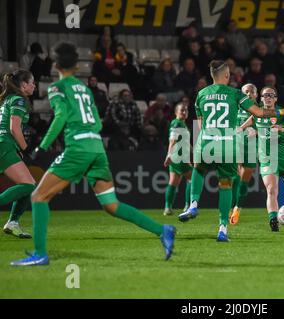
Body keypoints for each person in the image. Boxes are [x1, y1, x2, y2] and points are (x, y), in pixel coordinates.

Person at [11, 42, 176, 266]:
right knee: (111, 205)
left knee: (38, 197)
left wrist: (41, 147)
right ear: (77, 66)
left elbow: (60, 117)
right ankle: (162, 229)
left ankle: (40, 253)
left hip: (78, 149)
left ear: (55, 64)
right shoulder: (85, 89)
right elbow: (98, 123)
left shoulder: (57, 88)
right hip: (97, 149)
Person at [177, 60, 284, 241]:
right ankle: (223, 228)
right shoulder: (235, 94)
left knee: (199, 169)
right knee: (225, 185)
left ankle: (193, 204)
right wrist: (282, 112)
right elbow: (259, 112)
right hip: (228, 144)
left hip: (207, 140)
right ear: (226, 76)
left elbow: (200, 123)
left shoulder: (201, 94)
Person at [240, 86, 284, 232]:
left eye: (271, 95)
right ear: (261, 98)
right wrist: (245, 131)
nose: (268, 97)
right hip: (267, 158)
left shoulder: (283, 114)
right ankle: (273, 219)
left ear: (275, 98)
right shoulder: (257, 113)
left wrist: (283, 129)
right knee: (271, 189)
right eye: (265, 95)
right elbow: (241, 128)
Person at [0, 70, 36, 238]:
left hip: (4, 145)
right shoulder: (19, 100)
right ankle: (13, 221)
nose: (34, 86)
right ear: (23, 85)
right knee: (28, 185)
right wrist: (25, 148)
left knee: (27, 185)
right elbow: (14, 128)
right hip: (4, 145)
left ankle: (13, 223)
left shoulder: (7, 100)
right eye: (32, 82)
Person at [228, 83, 259, 225]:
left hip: (251, 147)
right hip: (236, 145)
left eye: (252, 92)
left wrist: (257, 131)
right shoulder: (236, 107)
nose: (249, 94)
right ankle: (229, 208)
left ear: (256, 95)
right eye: (246, 92)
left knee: (244, 180)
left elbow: (269, 128)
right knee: (234, 177)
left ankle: (237, 208)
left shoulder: (261, 110)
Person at [163, 103, 192, 216]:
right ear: (176, 112)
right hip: (179, 157)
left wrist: (193, 151)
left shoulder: (182, 124)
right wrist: (168, 155)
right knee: (192, 179)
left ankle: (167, 208)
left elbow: (184, 141)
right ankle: (188, 205)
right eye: (182, 111)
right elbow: (172, 140)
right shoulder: (177, 123)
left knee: (173, 182)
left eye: (186, 111)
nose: (184, 113)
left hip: (177, 156)